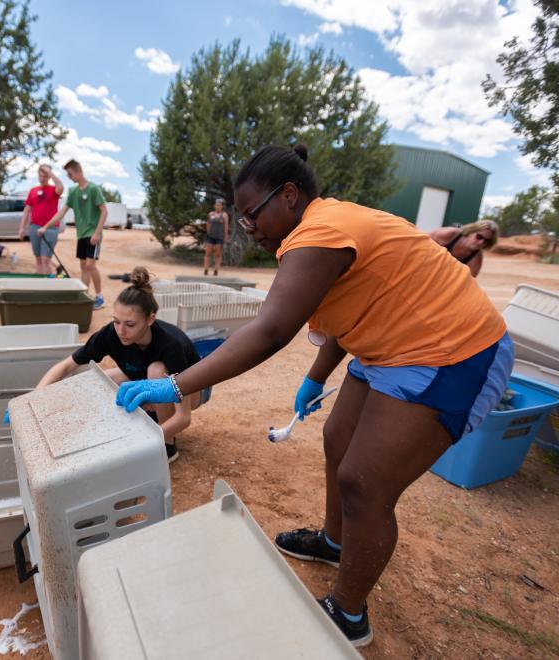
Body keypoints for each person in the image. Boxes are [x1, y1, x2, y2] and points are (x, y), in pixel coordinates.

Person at [115, 144, 513, 647]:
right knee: (337, 440)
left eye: (252, 215)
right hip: (393, 345)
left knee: (363, 483)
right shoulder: (317, 230)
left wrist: (173, 385)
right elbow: (349, 312)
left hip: (453, 349)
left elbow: (270, 330)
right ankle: (333, 541)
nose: (249, 227)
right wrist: (318, 378)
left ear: (288, 195)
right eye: (240, 219)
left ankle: (349, 616)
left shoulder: (321, 231)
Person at [36, 266, 203, 463]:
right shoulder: (110, 334)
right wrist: (33, 399)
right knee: (100, 379)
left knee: (156, 371)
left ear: (150, 319)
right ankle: (144, 418)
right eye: (116, 321)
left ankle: (167, 444)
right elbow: (66, 366)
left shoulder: (170, 344)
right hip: (145, 378)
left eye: (130, 324)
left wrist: (145, 442)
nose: (120, 331)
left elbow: (184, 417)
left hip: (193, 389)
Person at [39, 160, 108, 309]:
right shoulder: (73, 192)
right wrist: (45, 226)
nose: (69, 177)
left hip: (93, 233)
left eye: (70, 174)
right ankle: (84, 295)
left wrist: (97, 233)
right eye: (67, 174)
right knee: (83, 266)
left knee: (90, 265)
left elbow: (104, 211)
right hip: (81, 234)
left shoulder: (94, 189)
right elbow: (61, 212)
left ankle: (100, 296)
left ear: (79, 171)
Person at [19, 164, 64, 274]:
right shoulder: (33, 190)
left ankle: (50, 287)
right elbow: (27, 210)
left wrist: (50, 172)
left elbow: (61, 187)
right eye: (40, 176)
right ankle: (40, 285)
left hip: (50, 228)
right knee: (38, 259)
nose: (42, 178)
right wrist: (22, 228)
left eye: (45, 176)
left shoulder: (54, 190)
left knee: (45, 260)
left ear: (49, 177)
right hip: (34, 227)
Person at [429, 219, 498, 277]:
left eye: (486, 241)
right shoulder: (450, 234)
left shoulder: (476, 260)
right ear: (472, 231)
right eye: (479, 237)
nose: (481, 242)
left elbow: (466, 283)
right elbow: (423, 244)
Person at [203, 198, 229, 275]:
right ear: (214, 206)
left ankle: (216, 270)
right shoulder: (210, 214)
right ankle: (206, 270)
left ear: (222, 206)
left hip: (219, 237)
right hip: (210, 237)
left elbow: (226, 227)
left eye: (219, 205)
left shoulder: (224, 215)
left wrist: (225, 237)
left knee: (217, 255)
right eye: (216, 205)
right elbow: (208, 223)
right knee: (207, 253)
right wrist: (208, 232)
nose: (218, 206)